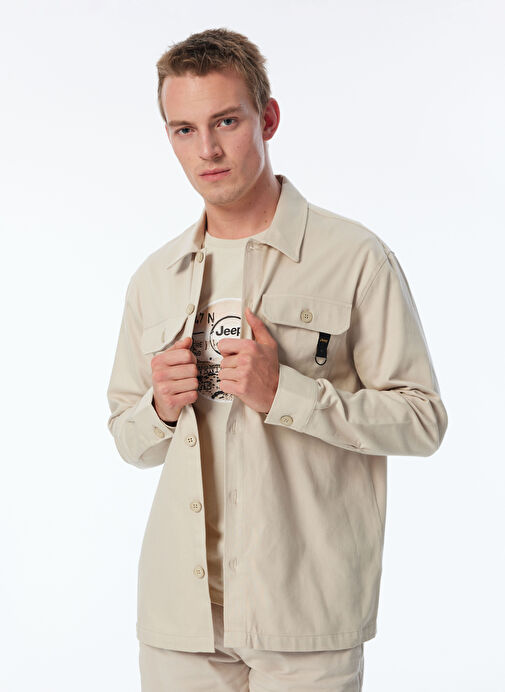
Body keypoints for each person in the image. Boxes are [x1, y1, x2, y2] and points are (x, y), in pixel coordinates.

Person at [106, 27, 448, 692]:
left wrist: (285, 393)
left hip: (304, 616)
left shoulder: (354, 258)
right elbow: (127, 438)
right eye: (183, 129)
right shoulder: (155, 278)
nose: (206, 150)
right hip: (181, 624)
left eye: (226, 121)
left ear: (267, 119)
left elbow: (422, 421)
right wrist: (160, 408)